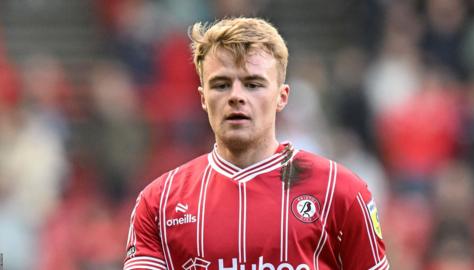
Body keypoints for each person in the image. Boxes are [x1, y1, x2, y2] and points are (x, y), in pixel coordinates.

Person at [123, 17, 389, 270]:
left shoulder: (340, 192)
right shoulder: (159, 203)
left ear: (281, 97)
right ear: (203, 98)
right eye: (221, 85)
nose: (236, 96)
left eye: (253, 84)